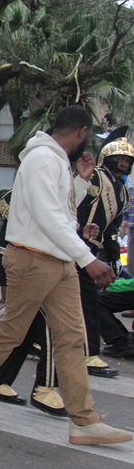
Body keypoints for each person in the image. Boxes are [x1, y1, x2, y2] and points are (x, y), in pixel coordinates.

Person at [0, 105, 131, 446]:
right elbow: (47, 216)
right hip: (34, 260)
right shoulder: (42, 159)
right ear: (80, 133)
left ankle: (83, 420)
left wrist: (80, 185)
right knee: (13, 332)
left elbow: (60, 212)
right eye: (88, 138)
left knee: (71, 337)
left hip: (59, 261)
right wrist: (88, 259)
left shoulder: (56, 161)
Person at [0, 190, 66, 417]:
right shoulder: (25, 192)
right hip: (31, 269)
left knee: (29, 328)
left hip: (57, 268)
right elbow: (5, 239)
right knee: (51, 326)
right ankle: (45, 386)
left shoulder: (69, 189)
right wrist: (4, 279)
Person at [74, 128, 131, 377]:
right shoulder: (96, 177)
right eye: (120, 158)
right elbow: (81, 208)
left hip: (95, 250)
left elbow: (113, 227)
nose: (124, 162)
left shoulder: (123, 189)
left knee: (86, 300)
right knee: (85, 300)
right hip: (78, 244)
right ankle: (88, 352)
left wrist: (115, 256)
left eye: (128, 160)